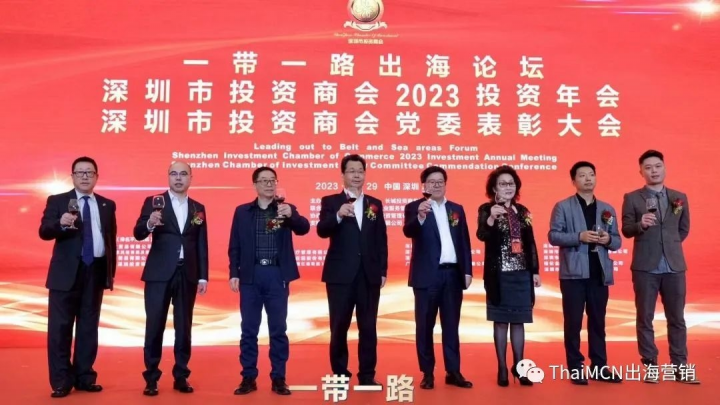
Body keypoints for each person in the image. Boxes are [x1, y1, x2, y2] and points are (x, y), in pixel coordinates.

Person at [39, 156, 117, 398]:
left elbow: (110, 241)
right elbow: (44, 231)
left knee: (88, 328)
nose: (85, 176)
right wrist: (60, 223)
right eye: (80, 172)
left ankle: (85, 377)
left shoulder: (107, 204)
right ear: (72, 176)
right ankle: (62, 381)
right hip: (65, 275)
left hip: (95, 271)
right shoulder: (57, 201)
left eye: (89, 172)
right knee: (60, 329)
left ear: (96, 177)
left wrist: (110, 275)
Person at [228, 167, 310, 396]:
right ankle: (248, 377)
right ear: (255, 184)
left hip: (276, 275)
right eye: (263, 181)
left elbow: (304, 228)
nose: (268, 184)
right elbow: (234, 245)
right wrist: (234, 272)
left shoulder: (285, 209)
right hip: (250, 275)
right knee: (248, 330)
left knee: (278, 329)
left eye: (272, 180)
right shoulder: (242, 212)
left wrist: (292, 215)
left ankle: (279, 377)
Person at [621, 150, 699, 384]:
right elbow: (626, 229)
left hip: (674, 266)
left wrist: (669, 245)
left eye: (657, 166)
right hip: (645, 267)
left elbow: (683, 229)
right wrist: (640, 225)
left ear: (664, 168)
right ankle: (651, 366)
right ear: (641, 172)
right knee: (645, 318)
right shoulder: (632, 198)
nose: (653, 171)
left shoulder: (679, 197)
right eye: (648, 167)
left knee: (677, 318)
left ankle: (680, 367)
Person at [133, 162, 209, 395]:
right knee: (154, 325)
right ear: (168, 177)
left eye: (183, 174)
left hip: (188, 274)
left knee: (184, 327)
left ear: (190, 178)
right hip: (159, 274)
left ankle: (181, 375)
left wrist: (203, 276)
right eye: (174, 174)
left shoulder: (197, 207)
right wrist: (149, 223)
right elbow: (138, 233)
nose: (178, 178)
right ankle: (151, 377)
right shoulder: (155, 202)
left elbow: (201, 243)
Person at [316, 154, 388, 386]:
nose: (357, 175)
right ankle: (340, 373)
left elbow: (381, 239)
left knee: (368, 327)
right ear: (343, 174)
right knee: (339, 326)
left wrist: (382, 270)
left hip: (368, 275)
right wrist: (338, 215)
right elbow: (322, 230)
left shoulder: (374, 204)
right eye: (352, 171)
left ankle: (367, 375)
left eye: (360, 171)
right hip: (340, 276)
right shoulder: (331, 202)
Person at [548, 161, 622, 384]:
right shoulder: (563, 206)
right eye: (582, 175)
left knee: (598, 322)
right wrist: (578, 237)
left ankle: (599, 367)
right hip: (573, 275)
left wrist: (608, 239)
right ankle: (575, 367)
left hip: (599, 273)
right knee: (573, 323)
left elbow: (617, 241)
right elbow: (553, 236)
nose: (588, 179)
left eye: (591, 174)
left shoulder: (607, 208)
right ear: (574, 181)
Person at [402, 166, 473, 389]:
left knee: (451, 325)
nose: (436, 185)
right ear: (424, 185)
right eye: (431, 182)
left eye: (440, 181)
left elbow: (464, 241)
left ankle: (453, 371)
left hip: (452, 275)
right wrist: (420, 216)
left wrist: (467, 271)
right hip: (426, 276)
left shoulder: (456, 209)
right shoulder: (414, 207)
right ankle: (427, 373)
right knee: (425, 326)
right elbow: (408, 231)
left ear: (445, 184)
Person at [476, 166, 540, 387]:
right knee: (501, 321)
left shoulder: (523, 211)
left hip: (521, 274)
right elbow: (482, 235)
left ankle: (520, 367)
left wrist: (535, 271)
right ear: (494, 188)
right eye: (503, 184)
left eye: (511, 183)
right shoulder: (486, 209)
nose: (508, 187)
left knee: (519, 322)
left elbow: (530, 242)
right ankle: (502, 368)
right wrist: (491, 219)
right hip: (499, 274)